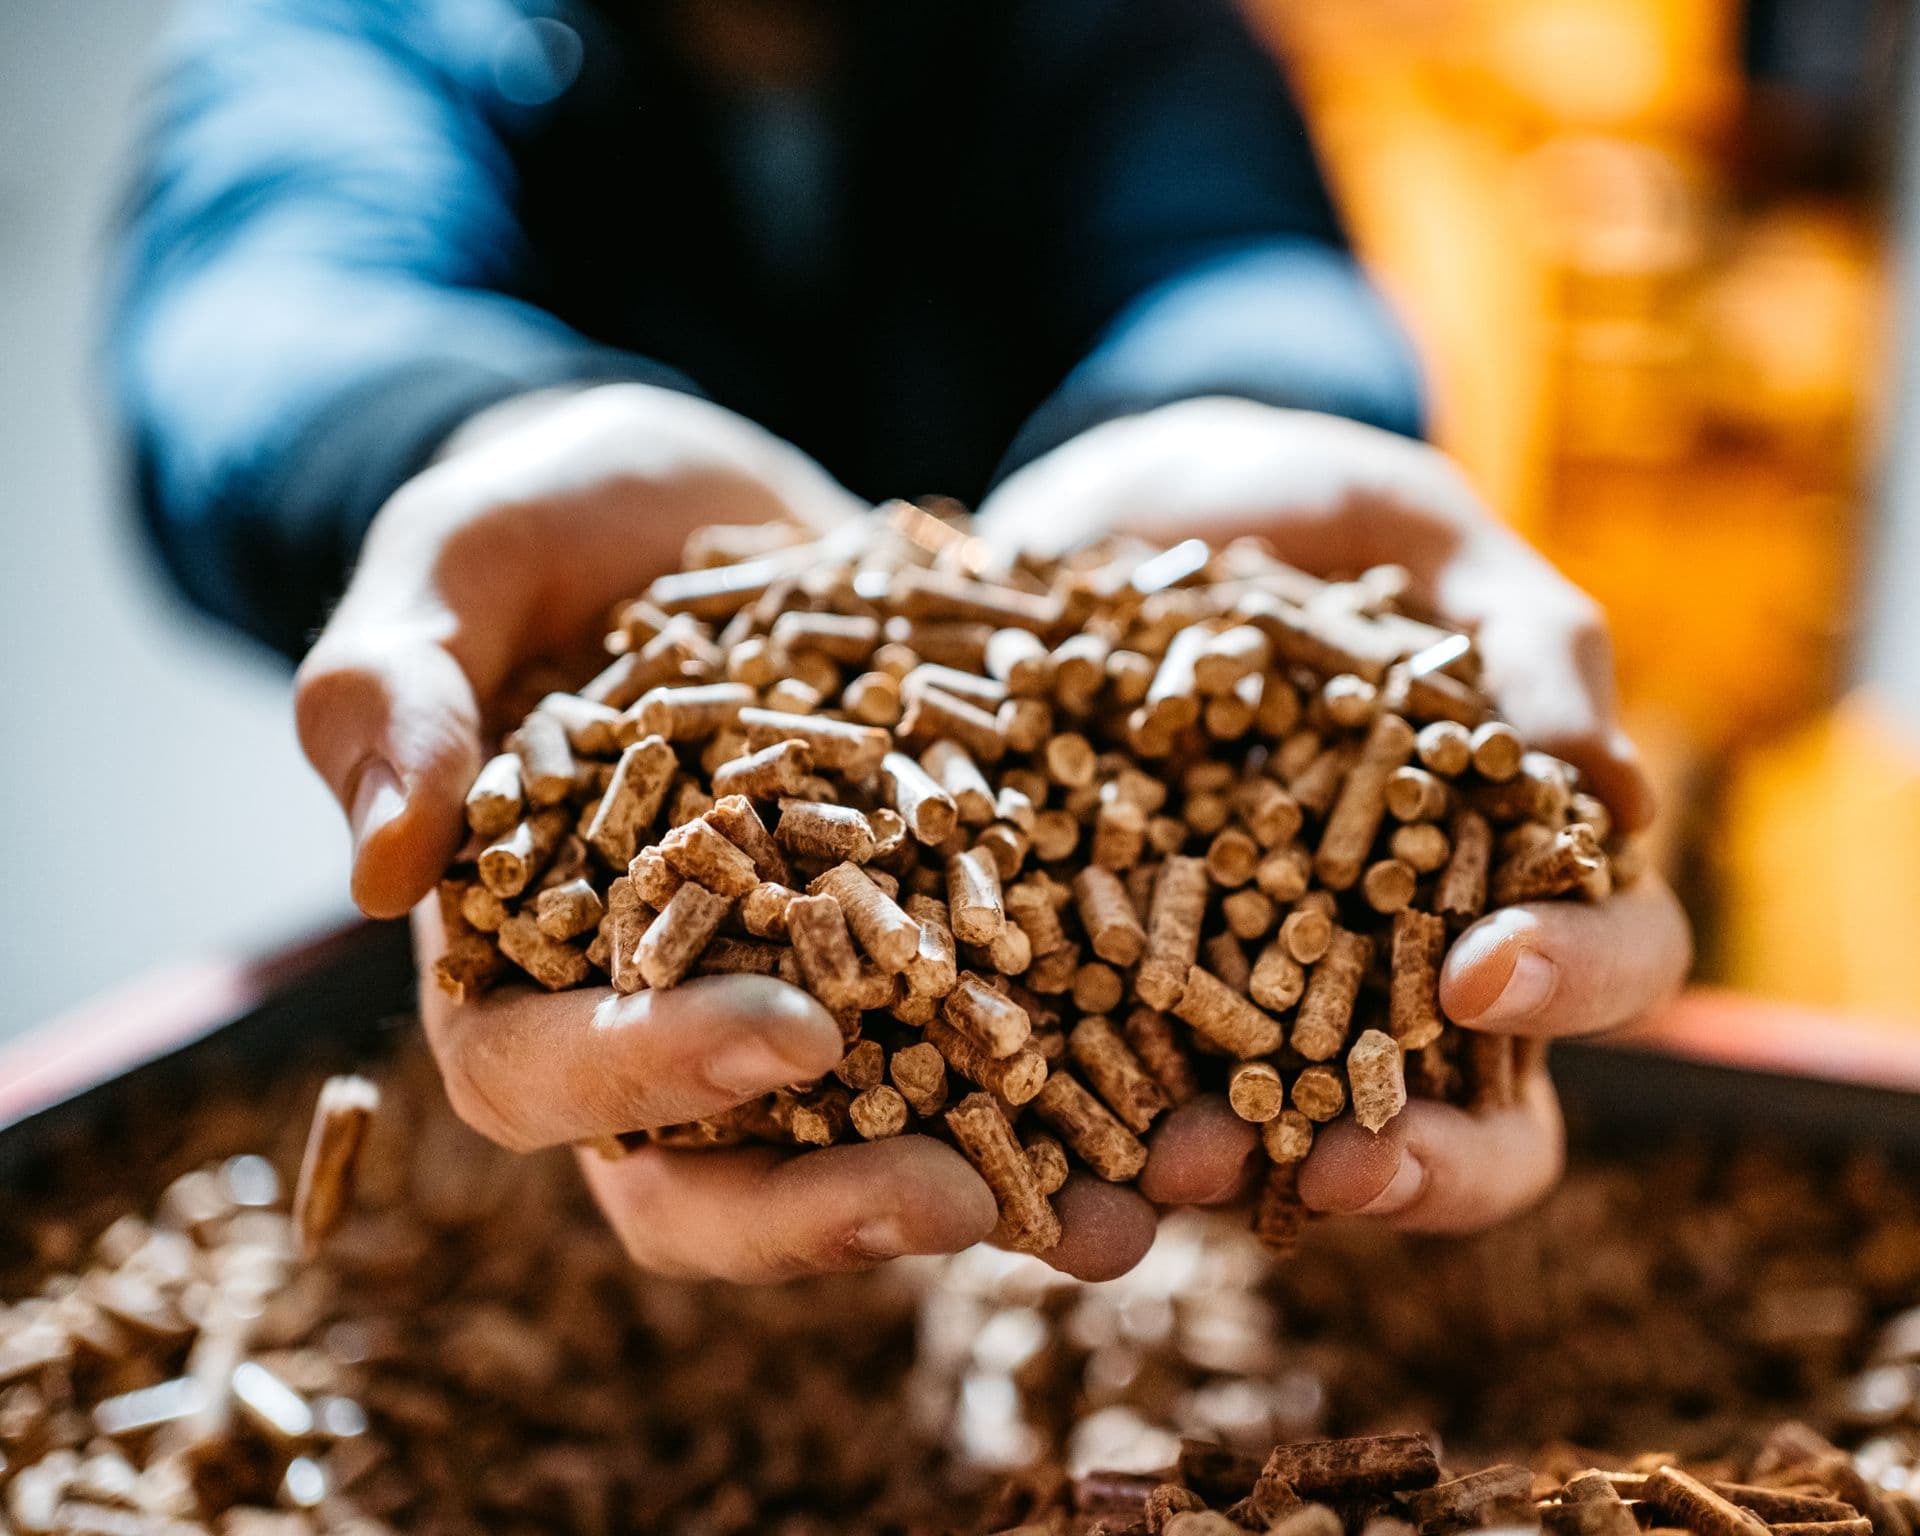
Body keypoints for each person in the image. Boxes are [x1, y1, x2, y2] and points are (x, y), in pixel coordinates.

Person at [108, 0, 1691, 1282]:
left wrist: (1256, 424)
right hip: (577, 1050)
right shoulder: (347, 29)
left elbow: (1241, 260)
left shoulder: (1132, 36)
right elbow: (260, 318)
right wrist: (461, 443)